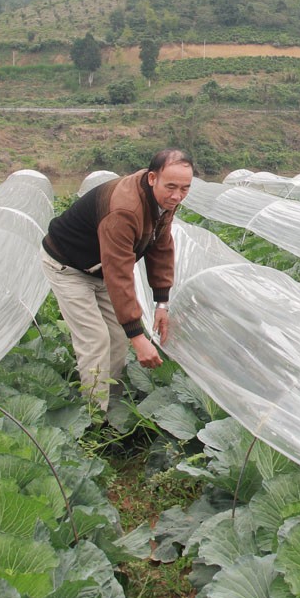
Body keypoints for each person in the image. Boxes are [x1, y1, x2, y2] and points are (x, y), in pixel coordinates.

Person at [40, 148, 194, 411]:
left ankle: (112, 407)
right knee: (95, 339)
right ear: (152, 178)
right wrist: (138, 337)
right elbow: (118, 272)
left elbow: (161, 246)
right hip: (68, 265)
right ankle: (93, 416)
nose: (177, 195)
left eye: (184, 188)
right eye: (171, 187)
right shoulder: (125, 209)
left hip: (99, 268)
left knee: (117, 337)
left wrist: (162, 302)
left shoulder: (164, 201)